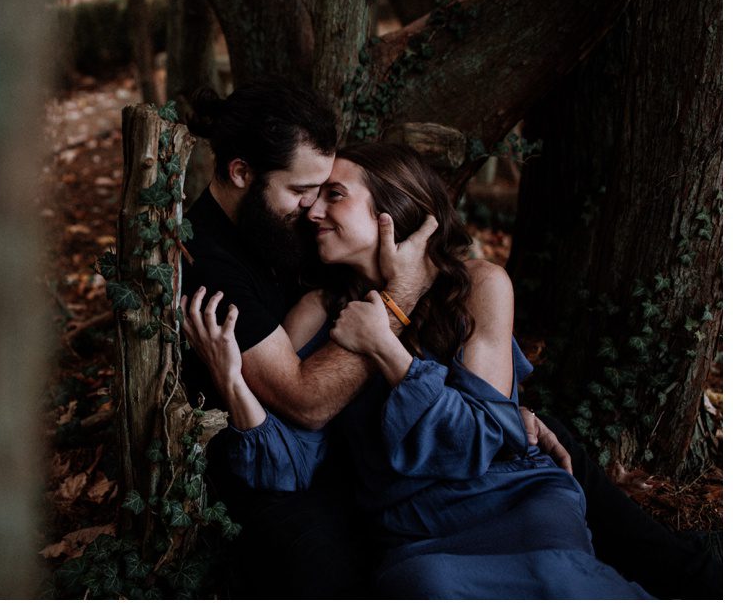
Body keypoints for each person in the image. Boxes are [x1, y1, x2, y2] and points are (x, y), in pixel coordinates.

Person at [180, 82, 721, 598]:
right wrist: (233, 382)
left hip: (507, 494)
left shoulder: (475, 285)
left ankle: (695, 575)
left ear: (390, 213)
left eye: (329, 194)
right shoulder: (270, 282)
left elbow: (481, 435)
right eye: (304, 193)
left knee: (562, 525)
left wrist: (502, 407)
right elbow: (300, 418)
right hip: (409, 523)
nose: (311, 210)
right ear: (242, 173)